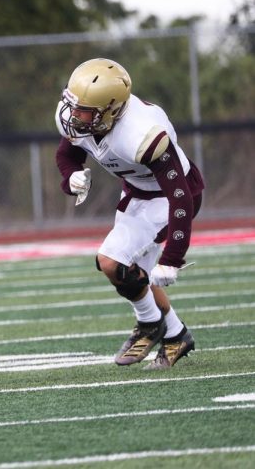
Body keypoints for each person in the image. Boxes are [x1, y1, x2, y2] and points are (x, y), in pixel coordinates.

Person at [55, 58, 204, 369]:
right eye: (72, 104)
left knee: (114, 262)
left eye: (82, 110)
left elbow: (180, 196)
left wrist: (173, 257)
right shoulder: (86, 117)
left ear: (108, 110)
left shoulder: (141, 133)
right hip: (136, 193)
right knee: (135, 275)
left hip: (170, 198)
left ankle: (150, 324)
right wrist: (70, 177)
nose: (73, 115)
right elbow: (67, 153)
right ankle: (177, 335)